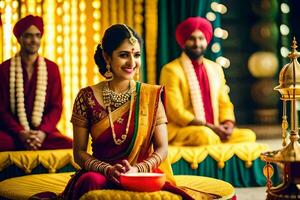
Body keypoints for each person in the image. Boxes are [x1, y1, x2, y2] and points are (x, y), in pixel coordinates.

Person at [60, 24, 195, 200]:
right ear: (107, 57)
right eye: (124, 55)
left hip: (141, 172)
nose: (132, 63)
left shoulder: (150, 95)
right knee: (90, 182)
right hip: (100, 173)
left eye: (136, 55)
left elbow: (162, 148)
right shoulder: (86, 96)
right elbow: (79, 153)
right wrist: (107, 170)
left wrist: (137, 170)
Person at [160, 17, 256, 146]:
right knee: (205, 136)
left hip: (215, 128)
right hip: (183, 129)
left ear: (206, 40)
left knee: (248, 135)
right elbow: (176, 111)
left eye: (201, 38)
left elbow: (224, 103)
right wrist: (209, 127)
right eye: (192, 39)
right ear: (184, 42)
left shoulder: (215, 68)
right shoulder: (171, 70)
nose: (197, 43)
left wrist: (227, 124)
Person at [0, 15, 72, 151]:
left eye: (38, 35)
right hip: (12, 133)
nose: (34, 40)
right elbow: (1, 109)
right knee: (4, 144)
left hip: (42, 133)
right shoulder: (4, 69)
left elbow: (56, 107)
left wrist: (42, 133)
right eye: (28, 36)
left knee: (70, 146)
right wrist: (20, 132)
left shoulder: (51, 68)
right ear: (19, 39)